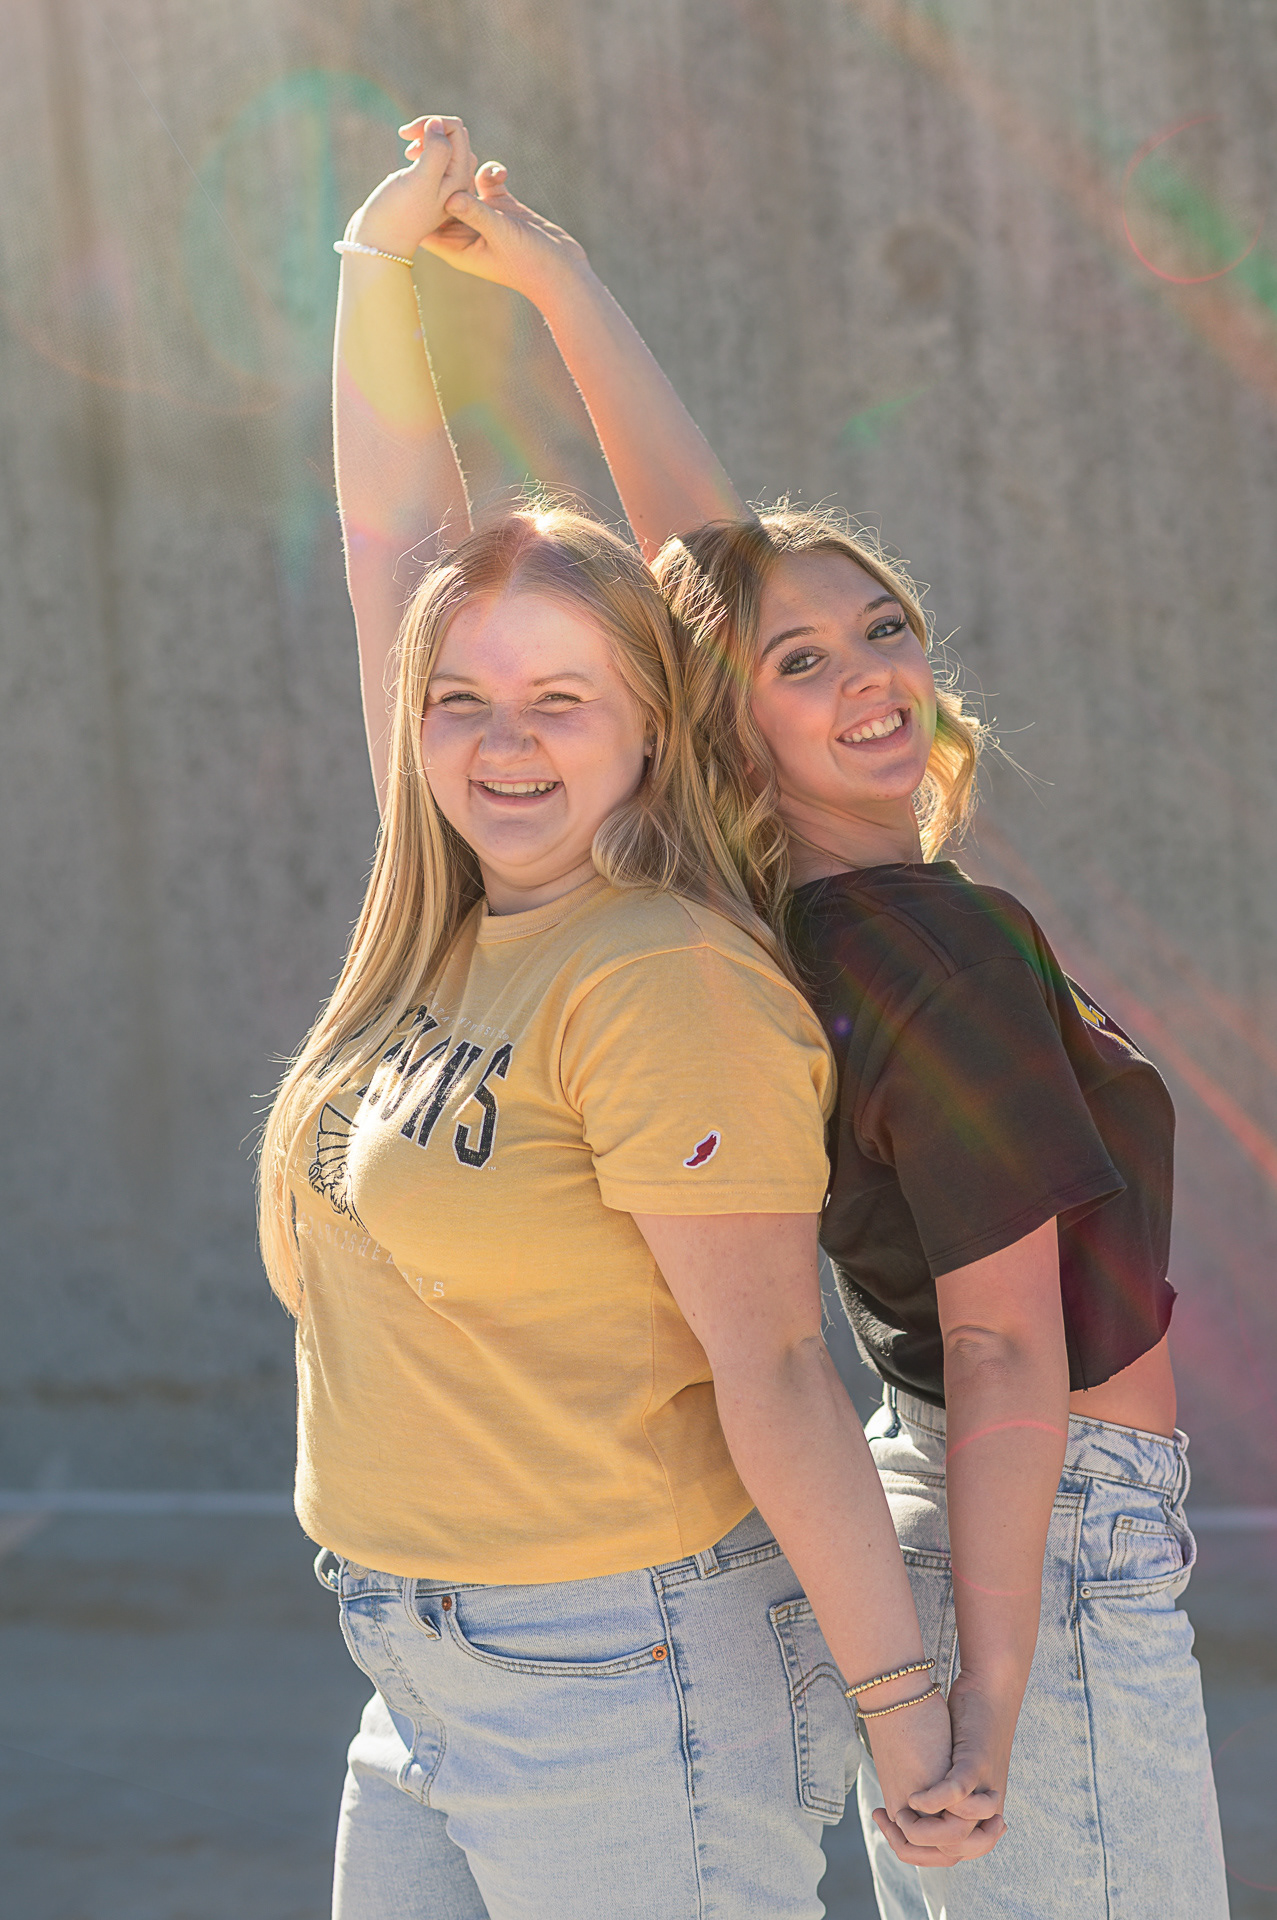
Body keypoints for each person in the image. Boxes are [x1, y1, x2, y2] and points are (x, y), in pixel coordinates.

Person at [423, 137, 1232, 1919]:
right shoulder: (921, 947)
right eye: (804, 667)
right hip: (1042, 1531)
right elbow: (1010, 1350)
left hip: (953, 1502)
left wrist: (557, 278)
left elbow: (712, 571)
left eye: (886, 629)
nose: (871, 674)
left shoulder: (765, 916)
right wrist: (990, 1705)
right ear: (732, 718)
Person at [257, 117, 1001, 1920]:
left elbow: (772, 1374)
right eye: (463, 700)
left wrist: (909, 1726)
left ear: (653, 730)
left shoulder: (660, 976)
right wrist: (376, 275)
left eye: (562, 702)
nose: (503, 742)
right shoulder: (442, 913)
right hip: (418, 1668)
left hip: (623, 1675)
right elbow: (394, 549)